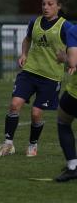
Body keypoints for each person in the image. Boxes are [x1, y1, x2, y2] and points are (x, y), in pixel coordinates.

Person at [0, 0, 72, 157]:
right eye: (43, 4)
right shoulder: (35, 22)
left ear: (58, 6)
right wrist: (24, 54)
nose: (45, 7)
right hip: (29, 72)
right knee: (14, 105)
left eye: (50, 4)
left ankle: (33, 144)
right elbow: (27, 39)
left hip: (50, 77)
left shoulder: (65, 27)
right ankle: (8, 144)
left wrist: (68, 61)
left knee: (36, 114)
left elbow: (73, 48)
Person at [54, 24, 77, 182]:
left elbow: (73, 62)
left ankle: (72, 166)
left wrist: (64, 58)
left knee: (63, 121)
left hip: (75, 94)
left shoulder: (74, 30)